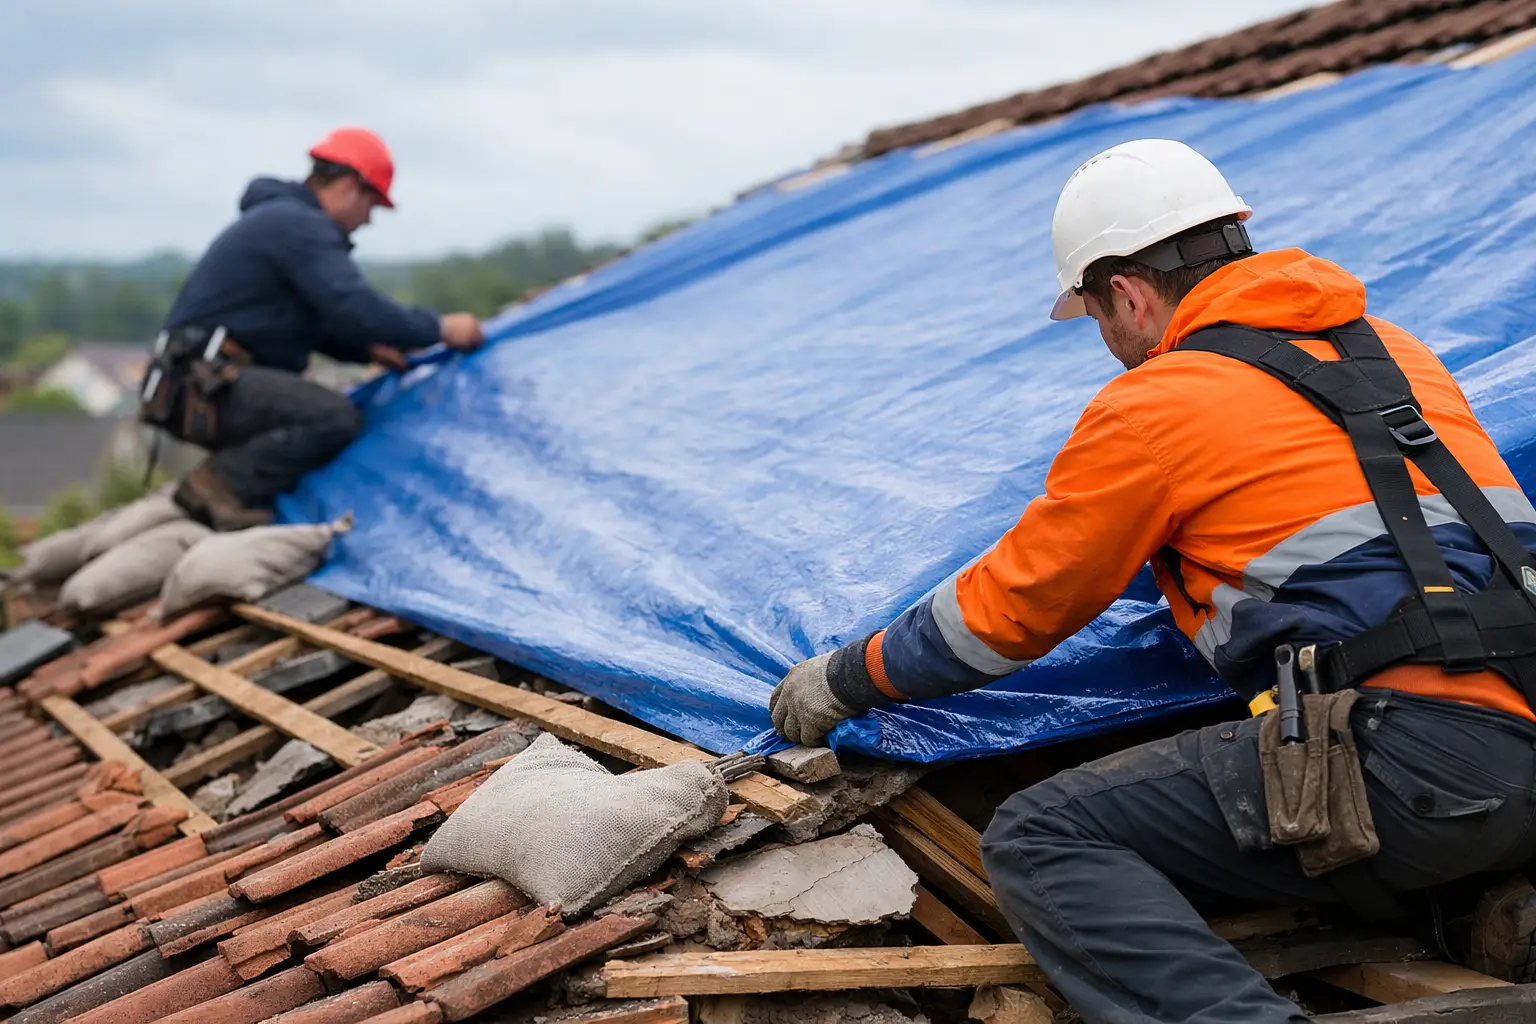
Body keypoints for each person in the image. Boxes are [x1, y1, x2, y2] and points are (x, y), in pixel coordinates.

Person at [769, 139, 1536, 1022]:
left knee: (1046, 836)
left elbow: (1015, 605)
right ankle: (1482, 915)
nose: (1106, 344)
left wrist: (850, 676)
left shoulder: (1159, 403)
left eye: (1096, 316)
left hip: (1416, 758)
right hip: (1515, 728)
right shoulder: (1395, 352)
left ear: (1127, 293)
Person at [142, 126, 485, 530]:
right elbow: (357, 307)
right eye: (370, 205)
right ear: (347, 187)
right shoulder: (299, 226)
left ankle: (225, 489)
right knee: (333, 417)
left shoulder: (281, 221)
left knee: (319, 413)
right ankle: (218, 488)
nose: (368, 221)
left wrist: (365, 351)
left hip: (194, 385)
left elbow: (309, 324)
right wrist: (442, 327)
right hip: (202, 386)